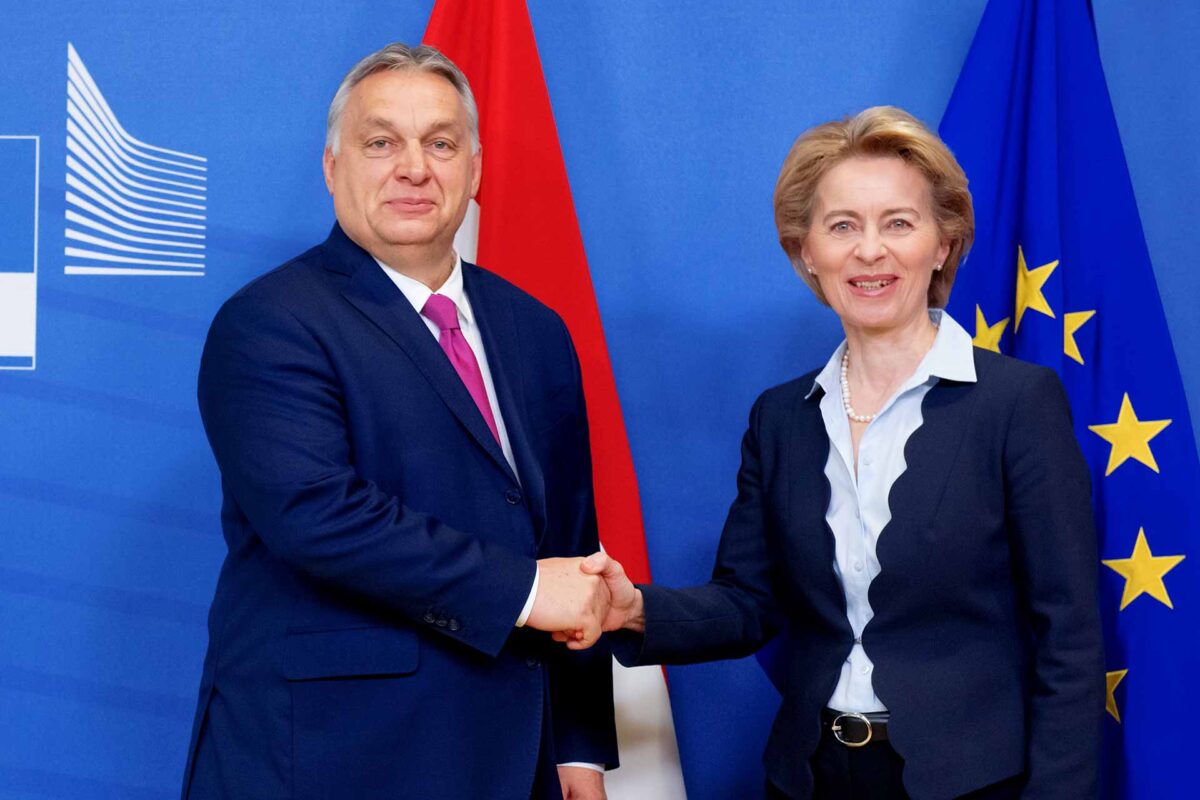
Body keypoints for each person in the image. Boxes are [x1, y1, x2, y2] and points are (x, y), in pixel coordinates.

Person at [573, 106, 1104, 799]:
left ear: (943, 244)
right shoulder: (780, 419)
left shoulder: (1016, 404)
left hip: (975, 783)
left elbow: (1069, 634)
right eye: (843, 225)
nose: (870, 251)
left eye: (898, 223)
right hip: (808, 778)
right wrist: (632, 609)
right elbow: (747, 604)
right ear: (807, 253)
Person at [181, 43, 617, 800]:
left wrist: (577, 745)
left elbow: (570, 548)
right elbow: (316, 515)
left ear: (473, 171)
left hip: (514, 758)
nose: (413, 167)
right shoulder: (268, 323)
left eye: (440, 143)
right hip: (331, 757)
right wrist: (521, 591)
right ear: (332, 167)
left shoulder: (537, 330)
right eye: (381, 142)